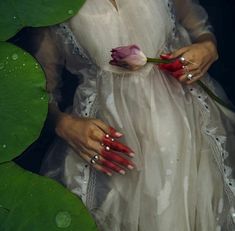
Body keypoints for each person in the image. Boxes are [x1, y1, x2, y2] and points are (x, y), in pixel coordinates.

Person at [35, 0, 235, 230]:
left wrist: (207, 47)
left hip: (188, 128)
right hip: (113, 146)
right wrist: (64, 124)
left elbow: (200, 28)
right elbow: (40, 95)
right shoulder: (49, 8)